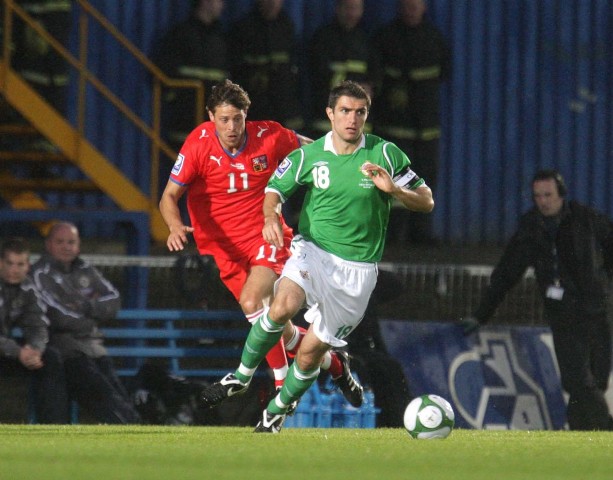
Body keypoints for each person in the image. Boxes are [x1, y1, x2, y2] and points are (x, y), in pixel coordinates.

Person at [200, 80, 434, 433]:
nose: (352, 120)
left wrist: (395, 190)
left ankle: (277, 412)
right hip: (312, 251)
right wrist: (269, 218)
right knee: (280, 307)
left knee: (309, 354)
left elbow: (427, 200)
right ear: (330, 114)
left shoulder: (384, 154)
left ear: (366, 116)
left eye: (360, 112)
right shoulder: (309, 156)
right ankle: (242, 376)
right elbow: (275, 190)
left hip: (356, 272)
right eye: (344, 111)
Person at [158, 79, 361, 403]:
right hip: (226, 251)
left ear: (246, 115)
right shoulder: (198, 144)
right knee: (281, 331)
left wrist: (346, 162)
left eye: (237, 118)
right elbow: (169, 196)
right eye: (224, 119)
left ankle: (281, 389)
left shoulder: (269, 136)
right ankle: (335, 362)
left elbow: (313, 150)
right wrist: (174, 225)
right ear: (211, 116)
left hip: (267, 236)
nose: (232, 126)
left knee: (255, 303)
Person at [461, 169, 613, 431]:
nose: (543, 201)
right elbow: (507, 273)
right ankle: (605, 430)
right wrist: (480, 314)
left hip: (598, 310)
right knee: (578, 379)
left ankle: (580, 435)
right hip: (563, 315)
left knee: (597, 380)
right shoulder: (530, 228)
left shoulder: (587, 220)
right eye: (537, 196)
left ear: (561, 194)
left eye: (548, 194)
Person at [30, 222, 141, 424]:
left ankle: (133, 427)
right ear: (48, 245)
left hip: (94, 347)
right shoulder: (39, 273)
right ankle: (129, 427)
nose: (66, 247)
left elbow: (114, 300)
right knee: (100, 388)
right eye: (60, 242)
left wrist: (85, 306)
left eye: (71, 242)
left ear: (78, 246)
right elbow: (57, 316)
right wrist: (91, 319)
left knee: (115, 388)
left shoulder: (86, 269)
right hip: (65, 349)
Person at [372, 0, 451, 244]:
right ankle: (392, 235)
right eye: (407, 5)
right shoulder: (385, 37)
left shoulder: (434, 38)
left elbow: (445, 73)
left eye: (415, 5)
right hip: (394, 124)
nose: (411, 9)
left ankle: (421, 234)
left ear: (424, 7)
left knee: (424, 179)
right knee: (394, 179)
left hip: (426, 127)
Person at [0, 237, 69, 424]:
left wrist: (35, 350)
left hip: (8, 351)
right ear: (0, 263)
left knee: (50, 357)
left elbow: (37, 325)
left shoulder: (28, 289)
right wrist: (18, 352)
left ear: (27, 266)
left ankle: (54, 428)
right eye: (10, 263)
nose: (14, 270)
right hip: (7, 349)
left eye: (20, 264)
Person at [152, 0, 229, 151]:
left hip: (213, 128)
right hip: (185, 122)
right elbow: (164, 72)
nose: (222, 5)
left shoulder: (222, 38)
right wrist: (176, 99)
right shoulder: (180, 35)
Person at [307, 0, 379, 138]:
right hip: (326, 122)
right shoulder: (322, 38)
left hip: (358, 123)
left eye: (356, 8)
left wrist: (370, 87)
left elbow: (376, 75)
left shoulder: (368, 41)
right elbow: (317, 75)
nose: (351, 13)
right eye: (348, 8)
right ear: (338, 9)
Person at [230, 0, 303, 130]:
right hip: (254, 108)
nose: (273, 4)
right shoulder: (244, 29)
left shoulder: (287, 27)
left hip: (283, 110)